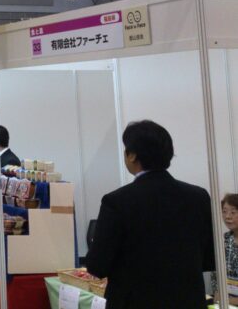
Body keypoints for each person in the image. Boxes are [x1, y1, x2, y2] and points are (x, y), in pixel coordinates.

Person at [86, 120, 215, 309]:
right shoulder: (198, 196)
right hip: (188, 300)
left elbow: (97, 266)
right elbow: (209, 258)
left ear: (132, 155)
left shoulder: (117, 201)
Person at [212, 194, 238, 306]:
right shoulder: (223, 240)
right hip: (224, 301)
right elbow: (216, 273)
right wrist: (218, 295)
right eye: (224, 211)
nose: (227, 216)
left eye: (233, 212)